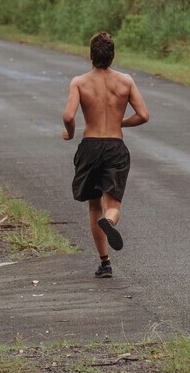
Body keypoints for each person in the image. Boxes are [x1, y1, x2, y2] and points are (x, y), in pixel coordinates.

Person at [62, 31, 149, 278]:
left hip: (90, 146)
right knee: (113, 206)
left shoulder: (79, 82)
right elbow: (143, 115)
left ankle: (105, 263)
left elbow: (69, 116)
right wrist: (119, 123)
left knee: (93, 206)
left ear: (90, 55)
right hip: (115, 146)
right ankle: (110, 222)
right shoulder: (126, 81)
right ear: (113, 55)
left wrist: (69, 133)